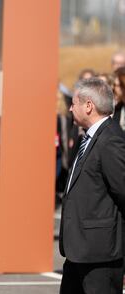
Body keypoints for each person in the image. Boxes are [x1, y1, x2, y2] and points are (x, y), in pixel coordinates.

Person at [59, 77, 125, 294]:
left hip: (101, 255)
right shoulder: (85, 138)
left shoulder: (111, 140)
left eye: (74, 102)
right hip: (78, 251)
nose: (70, 108)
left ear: (89, 106)